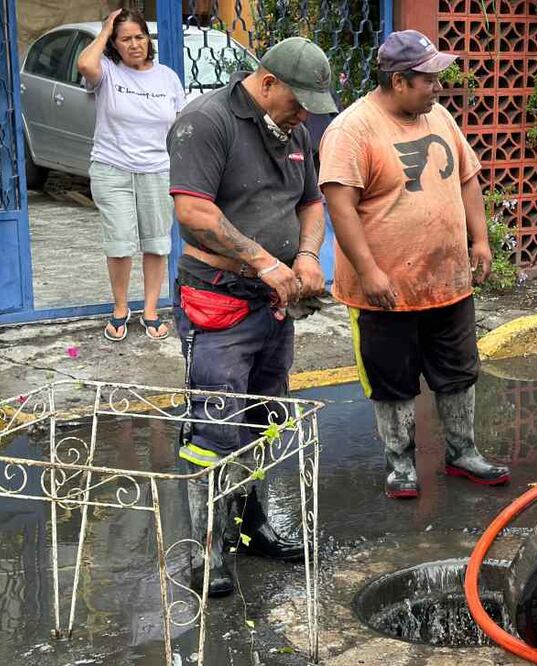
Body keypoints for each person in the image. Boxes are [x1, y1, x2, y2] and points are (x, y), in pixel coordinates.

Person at [166, 37, 338, 596]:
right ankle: (208, 549)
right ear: (267, 83)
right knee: (214, 425)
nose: (305, 115)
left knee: (263, 419)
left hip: (274, 302)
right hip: (219, 296)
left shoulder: (292, 131)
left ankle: (248, 526)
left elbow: (310, 203)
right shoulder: (206, 121)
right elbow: (193, 212)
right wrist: (263, 260)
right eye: (299, 102)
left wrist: (307, 255)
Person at [318, 30, 510, 499]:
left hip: (447, 280)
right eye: (429, 80)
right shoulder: (351, 130)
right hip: (385, 289)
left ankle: (463, 452)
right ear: (399, 81)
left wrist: (480, 241)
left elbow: (467, 178)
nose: (438, 88)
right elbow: (341, 208)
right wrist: (369, 271)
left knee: (458, 371)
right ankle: (400, 462)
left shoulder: (438, 116)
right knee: (392, 379)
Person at [76, 8, 185, 341]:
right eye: (125, 39)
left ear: (148, 40)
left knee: (157, 243)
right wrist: (105, 30)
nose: (135, 44)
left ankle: (150, 311)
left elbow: (180, 126)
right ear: (114, 44)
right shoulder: (107, 72)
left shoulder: (167, 77)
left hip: (158, 170)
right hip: (113, 170)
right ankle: (120, 308)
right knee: (120, 243)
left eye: (140, 37)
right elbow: (85, 64)